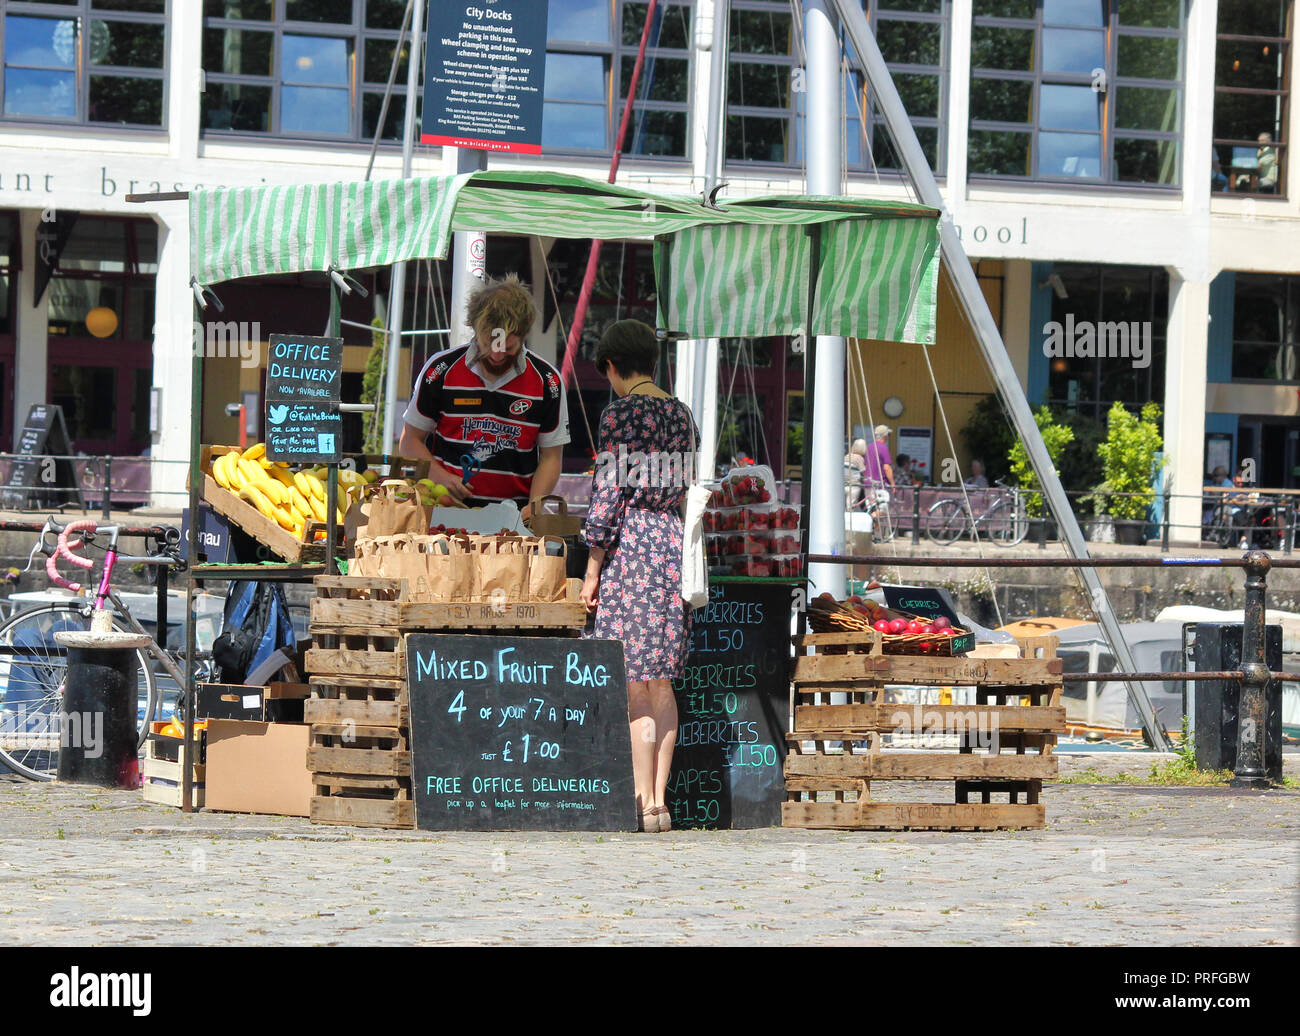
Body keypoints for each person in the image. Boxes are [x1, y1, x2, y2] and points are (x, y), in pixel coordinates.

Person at [580, 320, 698, 834]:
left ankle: (639, 799)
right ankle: (661, 801)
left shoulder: (618, 414)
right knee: (663, 683)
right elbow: (688, 482)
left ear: (611, 367)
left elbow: (609, 495)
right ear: (653, 362)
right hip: (671, 545)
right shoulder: (682, 414)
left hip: (631, 549)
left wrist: (590, 572)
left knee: (634, 682)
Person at [398, 275, 569, 515]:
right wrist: (440, 477)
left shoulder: (547, 381)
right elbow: (409, 441)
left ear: (524, 335)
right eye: (488, 345)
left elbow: (551, 457)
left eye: (508, 348)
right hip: (444, 512)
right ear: (475, 330)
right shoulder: (441, 370)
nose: (497, 356)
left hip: (515, 520)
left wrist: (534, 506)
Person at [862, 425, 894, 490]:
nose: (889, 437)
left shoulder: (869, 447)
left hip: (867, 484)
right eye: (889, 435)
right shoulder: (884, 448)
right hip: (879, 484)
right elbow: (887, 468)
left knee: (870, 500)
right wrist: (893, 484)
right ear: (885, 436)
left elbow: (865, 466)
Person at [844, 438, 867, 508]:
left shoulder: (847, 456)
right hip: (854, 485)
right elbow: (863, 472)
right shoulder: (859, 458)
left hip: (844, 484)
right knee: (850, 507)